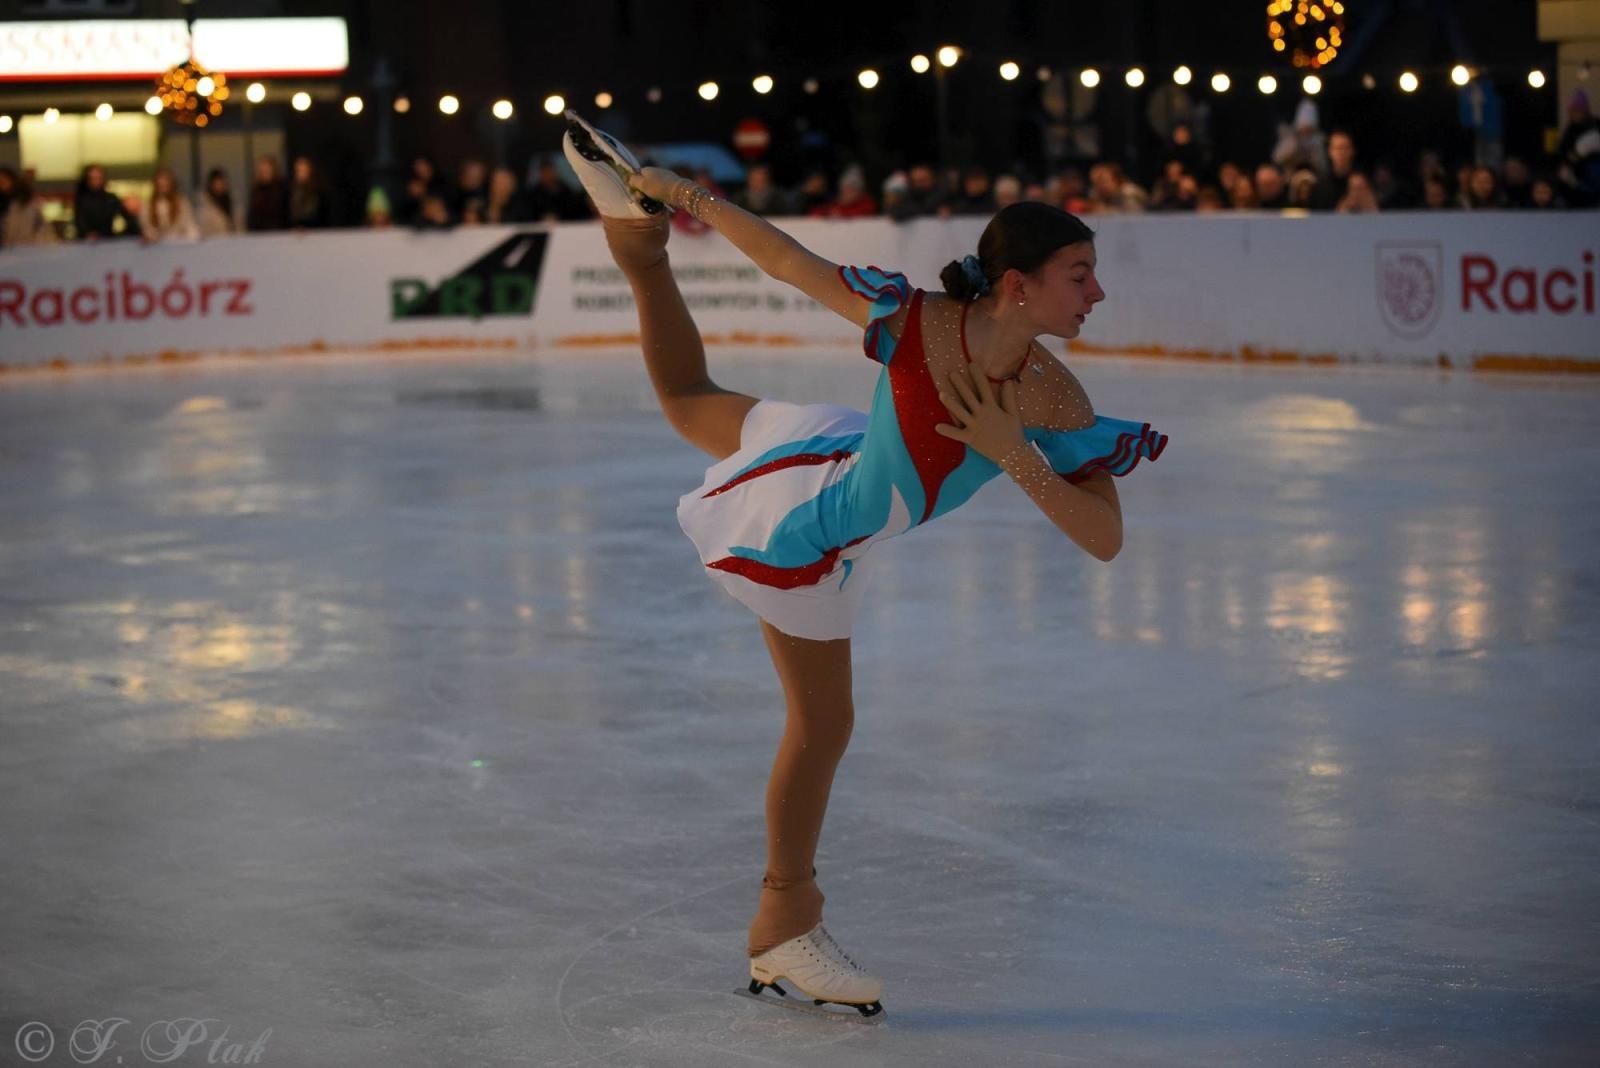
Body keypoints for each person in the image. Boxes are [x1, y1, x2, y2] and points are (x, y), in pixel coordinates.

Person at [560, 111, 1168, 1018]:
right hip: (818, 525)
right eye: (1080, 275)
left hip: (841, 456)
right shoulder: (913, 320)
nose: (1098, 293)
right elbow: (787, 260)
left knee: (691, 404)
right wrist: (685, 193)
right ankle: (783, 928)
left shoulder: (1051, 397)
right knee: (822, 724)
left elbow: (1105, 536)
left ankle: (631, 241)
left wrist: (1018, 454)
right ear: (1017, 285)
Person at [73, 164, 139, 241]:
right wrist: (87, 234)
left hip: (108, 243)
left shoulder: (111, 199)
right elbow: (80, 223)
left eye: (98, 178)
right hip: (87, 245)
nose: (96, 181)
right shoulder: (81, 200)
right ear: (86, 180)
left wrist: (120, 235)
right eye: (92, 178)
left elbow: (129, 221)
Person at [138, 167, 200, 242]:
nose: (163, 186)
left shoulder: (181, 203)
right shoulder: (148, 206)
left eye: (166, 183)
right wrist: (151, 235)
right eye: (160, 184)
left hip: (178, 244)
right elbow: (147, 227)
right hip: (157, 247)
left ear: (172, 184)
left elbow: (189, 224)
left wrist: (194, 235)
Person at [2, 172, 55, 249]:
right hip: (25, 248)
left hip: (25, 248)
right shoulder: (13, 206)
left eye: (3, 182)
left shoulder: (18, 206)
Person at [247, 156, 290, 231]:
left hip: (279, 233)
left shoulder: (282, 189)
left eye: (267, 170)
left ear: (273, 170)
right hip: (259, 235)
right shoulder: (256, 191)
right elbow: (252, 216)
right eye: (262, 170)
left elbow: (286, 213)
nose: (264, 172)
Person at [196, 167, 236, 237]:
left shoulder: (232, 203)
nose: (220, 185)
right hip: (214, 245)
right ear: (211, 184)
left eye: (222, 182)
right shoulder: (204, 207)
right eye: (217, 183)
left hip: (232, 243)